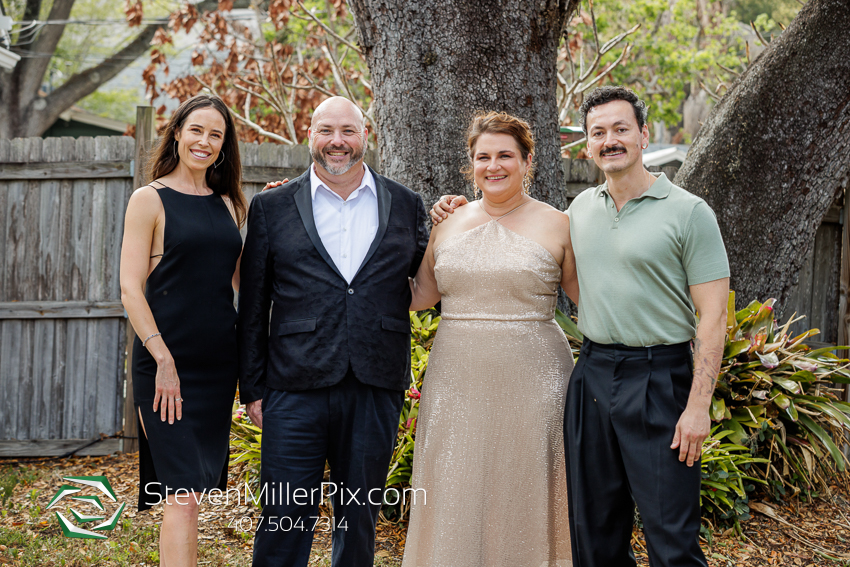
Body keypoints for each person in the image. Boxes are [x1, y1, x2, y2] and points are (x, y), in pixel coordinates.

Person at [431, 87, 729, 567]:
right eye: (598, 132)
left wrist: (698, 406)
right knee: (593, 534)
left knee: (670, 536)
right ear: (587, 145)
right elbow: (512, 241)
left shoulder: (689, 213)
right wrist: (450, 210)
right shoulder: (577, 214)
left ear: (643, 135)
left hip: (659, 377)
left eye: (620, 129)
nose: (609, 140)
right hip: (591, 374)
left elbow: (713, 318)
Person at [237, 96, 428, 567]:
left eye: (348, 130)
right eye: (326, 131)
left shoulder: (405, 204)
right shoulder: (272, 206)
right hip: (292, 386)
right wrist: (253, 389)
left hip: (374, 384)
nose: (337, 142)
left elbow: (433, 275)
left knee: (358, 522)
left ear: (366, 136)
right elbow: (254, 303)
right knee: (283, 518)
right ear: (310, 136)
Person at [403, 111, 576, 567]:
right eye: (483, 157)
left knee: (524, 485)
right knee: (456, 483)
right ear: (471, 164)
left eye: (505, 155)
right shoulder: (448, 221)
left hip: (536, 379)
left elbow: (590, 302)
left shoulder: (559, 224)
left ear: (527, 161)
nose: (493, 166)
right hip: (456, 376)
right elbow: (420, 294)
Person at [120, 94, 246, 567]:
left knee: (195, 492)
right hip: (163, 366)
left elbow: (244, 287)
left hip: (216, 368)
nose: (205, 141)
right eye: (197, 130)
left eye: (216, 134)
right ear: (177, 132)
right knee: (183, 492)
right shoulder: (148, 199)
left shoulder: (232, 205)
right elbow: (131, 289)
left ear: (223, 145)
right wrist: (163, 360)